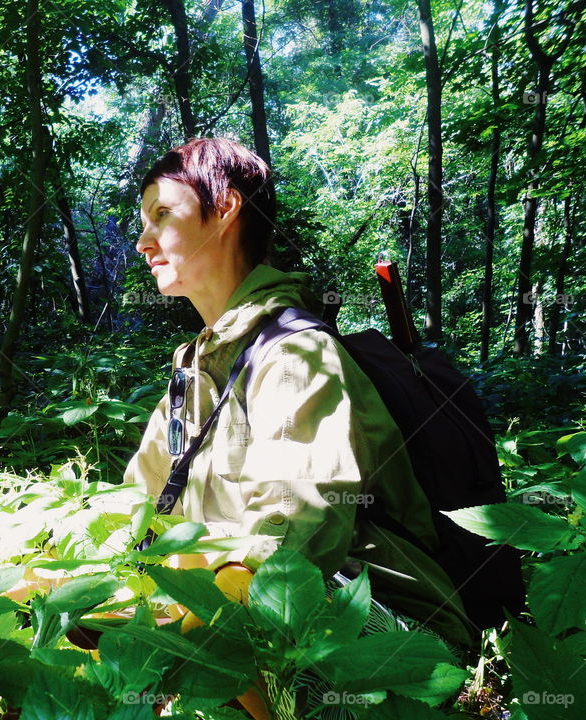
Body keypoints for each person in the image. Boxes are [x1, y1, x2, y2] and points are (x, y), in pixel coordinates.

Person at [127, 137, 477, 659]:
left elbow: (293, 541)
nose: (143, 241)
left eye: (162, 215)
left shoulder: (295, 355)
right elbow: (135, 506)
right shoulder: (195, 369)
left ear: (224, 209)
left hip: (386, 624)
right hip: (237, 601)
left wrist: (184, 613)